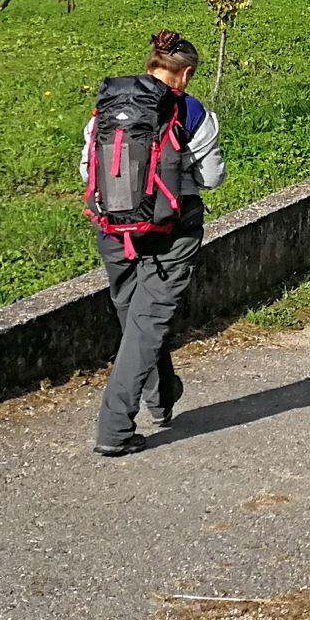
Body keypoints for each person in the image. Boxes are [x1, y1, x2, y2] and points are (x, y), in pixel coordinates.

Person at [83, 29, 225, 456]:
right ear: (184, 74)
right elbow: (213, 178)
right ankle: (114, 429)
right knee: (147, 324)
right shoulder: (191, 110)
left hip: (112, 228)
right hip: (171, 230)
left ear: (150, 66)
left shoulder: (107, 109)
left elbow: (86, 169)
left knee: (136, 321)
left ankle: (162, 399)